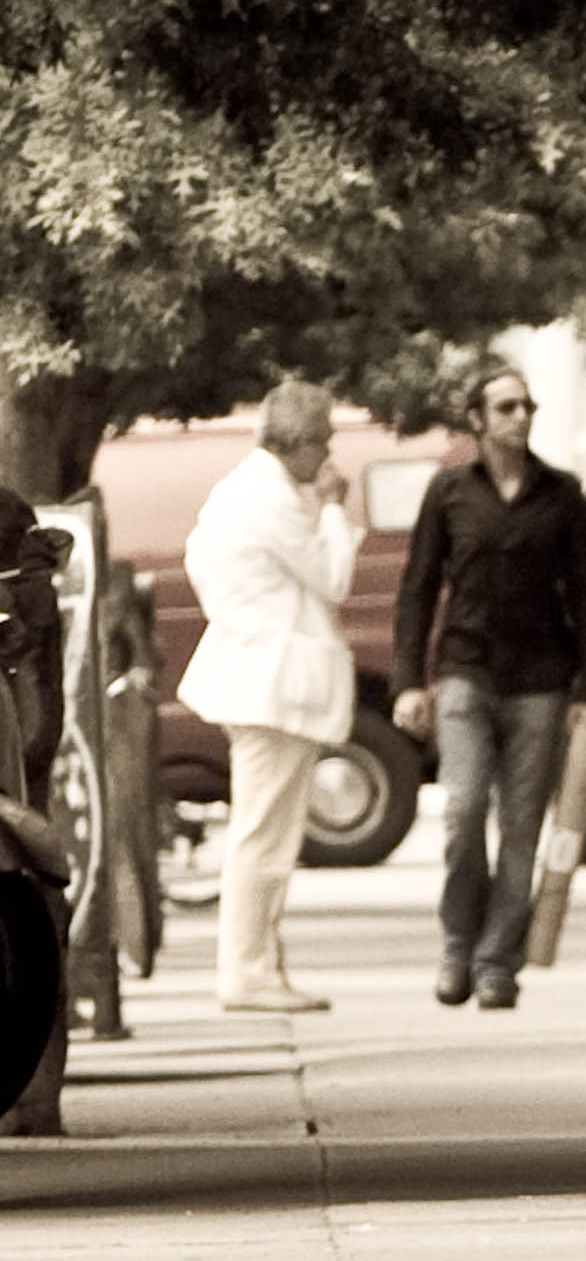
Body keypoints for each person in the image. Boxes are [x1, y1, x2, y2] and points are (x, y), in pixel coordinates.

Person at [391, 367, 586, 1011]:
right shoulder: (450, 491)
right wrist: (409, 681)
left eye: (528, 406)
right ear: (478, 420)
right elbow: (418, 588)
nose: (521, 416)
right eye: (506, 406)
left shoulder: (561, 495)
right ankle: (457, 944)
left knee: (520, 827)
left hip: (541, 678)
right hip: (465, 670)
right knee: (461, 813)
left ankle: (495, 962)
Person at [179, 380, 363, 1013]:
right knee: (264, 837)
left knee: (266, 833)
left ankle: (260, 964)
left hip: (260, 677)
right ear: (300, 442)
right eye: (325, 441)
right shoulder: (271, 499)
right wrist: (336, 509)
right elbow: (333, 577)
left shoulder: (242, 491)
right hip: (273, 686)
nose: (330, 455)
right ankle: (249, 970)